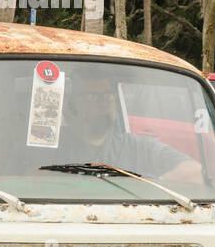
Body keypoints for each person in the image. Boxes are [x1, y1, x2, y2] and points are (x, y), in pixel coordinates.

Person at [56, 74, 202, 185]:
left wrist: (149, 187)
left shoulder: (138, 146)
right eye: (93, 97)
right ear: (71, 106)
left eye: (108, 96)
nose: (104, 103)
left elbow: (195, 171)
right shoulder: (52, 148)